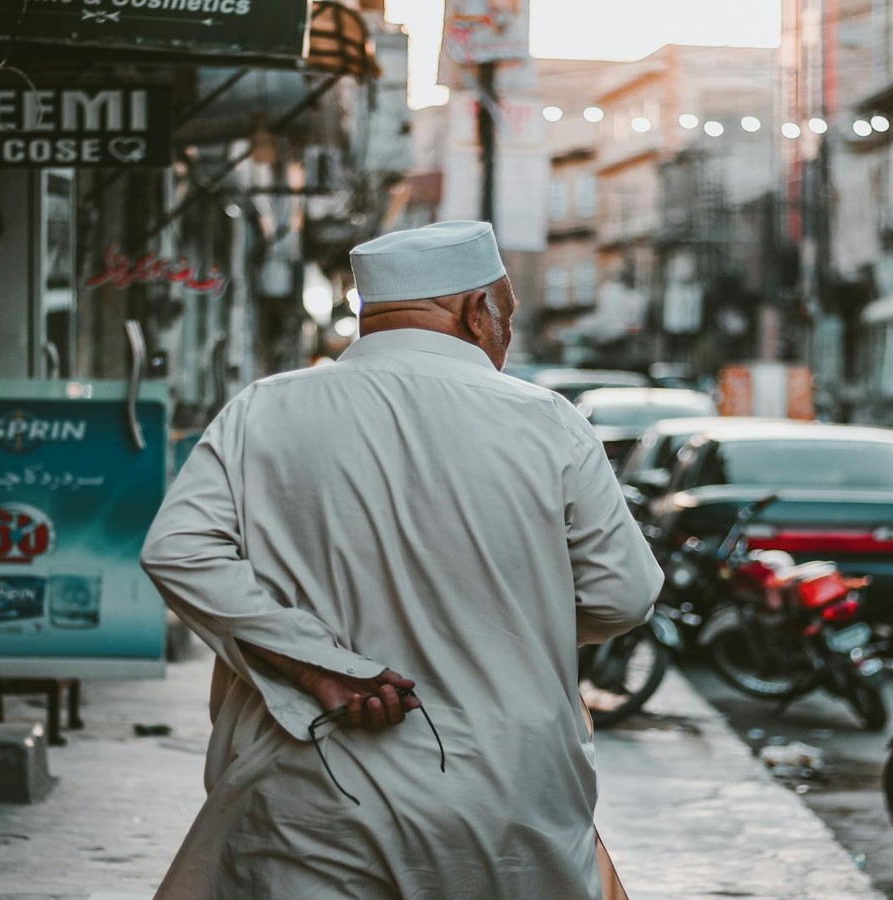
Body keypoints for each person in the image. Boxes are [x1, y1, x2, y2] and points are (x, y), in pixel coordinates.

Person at [140, 221, 662, 899]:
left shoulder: (264, 410)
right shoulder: (546, 420)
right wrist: (512, 619)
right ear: (480, 312)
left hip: (312, 788)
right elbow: (624, 595)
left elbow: (177, 552)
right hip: (502, 793)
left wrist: (316, 664)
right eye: (508, 315)